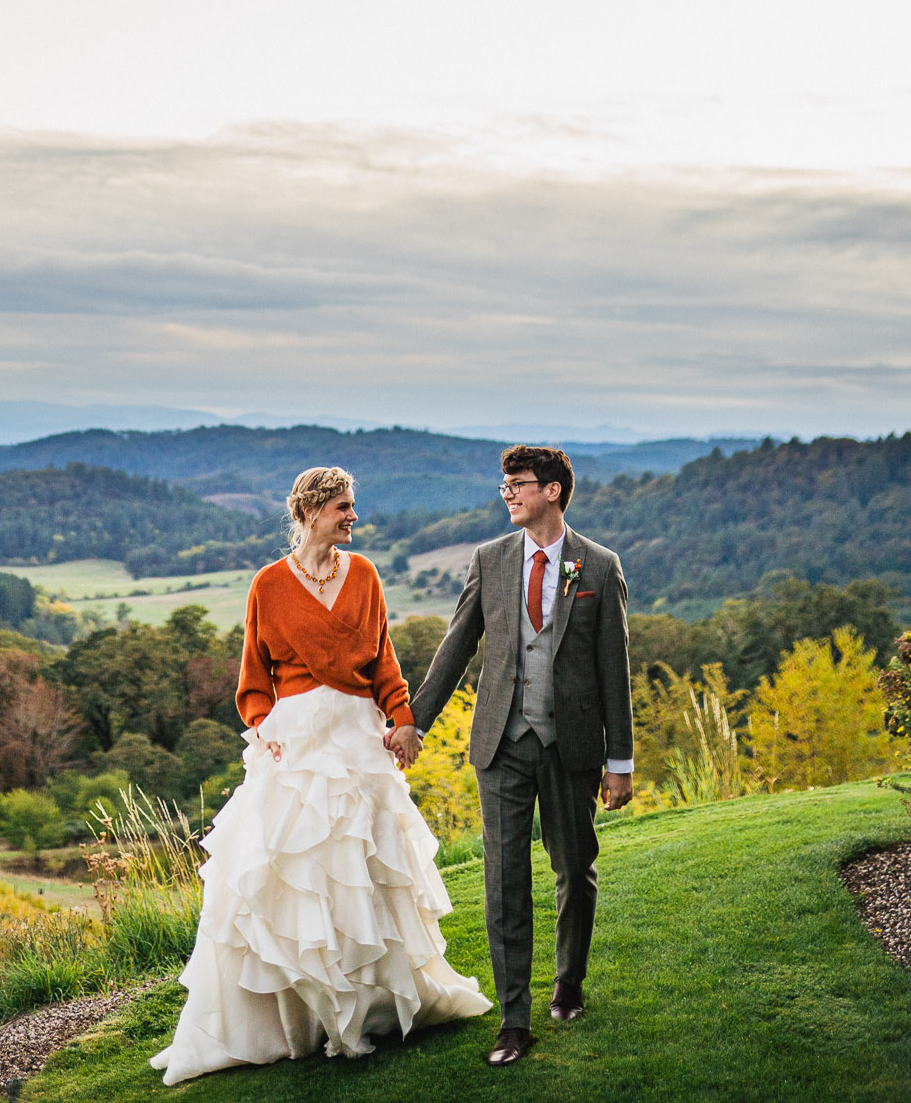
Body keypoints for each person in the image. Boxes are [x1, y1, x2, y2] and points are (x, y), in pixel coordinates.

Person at [151, 464, 491, 1086]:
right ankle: (303, 1018)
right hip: (297, 742)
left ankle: (372, 1006)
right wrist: (264, 729)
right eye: (343, 507)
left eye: (352, 506)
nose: (353, 517)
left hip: (359, 737)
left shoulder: (364, 575)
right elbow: (253, 678)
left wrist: (403, 719)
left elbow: (383, 660)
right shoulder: (267, 584)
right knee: (296, 873)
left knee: (365, 868)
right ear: (311, 512)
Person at [387, 443, 634, 1067]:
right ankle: (514, 1021)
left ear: (552, 491)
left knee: (573, 868)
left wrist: (620, 762)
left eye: (518, 483)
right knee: (504, 881)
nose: (508, 494)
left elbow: (615, 670)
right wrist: (413, 719)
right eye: (505, 485)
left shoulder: (599, 566)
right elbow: (456, 644)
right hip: (501, 743)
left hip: (573, 745)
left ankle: (569, 982)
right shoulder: (490, 559)